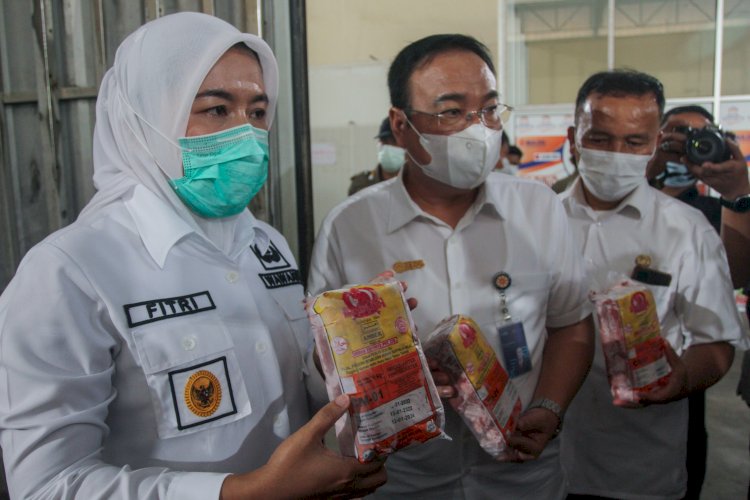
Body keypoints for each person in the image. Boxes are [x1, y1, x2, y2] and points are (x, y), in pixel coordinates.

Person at [0, 13, 386, 500]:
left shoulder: (266, 244)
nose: (245, 135)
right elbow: (49, 486)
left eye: (258, 112)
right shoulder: (68, 273)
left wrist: (342, 351)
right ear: (146, 117)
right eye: (217, 110)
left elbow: (293, 388)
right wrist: (241, 493)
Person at [308, 33, 595, 499]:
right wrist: (386, 368)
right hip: (403, 478)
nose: (478, 129)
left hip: (521, 473)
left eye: (489, 109)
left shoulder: (538, 209)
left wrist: (549, 406)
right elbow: (320, 360)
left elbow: (571, 324)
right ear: (401, 126)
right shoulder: (351, 226)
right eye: (451, 111)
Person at [558, 69, 745, 500]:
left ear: (655, 143)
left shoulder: (687, 230)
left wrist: (679, 381)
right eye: (600, 138)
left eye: (634, 141)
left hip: (638, 469)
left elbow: (715, 344)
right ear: (573, 138)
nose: (616, 153)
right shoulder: (535, 221)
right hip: (539, 461)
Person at [645, 105, 723, 499]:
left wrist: (738, 193)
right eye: (675, 133)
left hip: (682, 373)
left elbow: (736, 279)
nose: (683, 144)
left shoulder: (711, 210)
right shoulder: (629, 198)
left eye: (698, 136)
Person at [348, 117, 404, 195]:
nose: (388, 146)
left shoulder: (417, 186)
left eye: (394, 141)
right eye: (384, 141)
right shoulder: (360, 184)